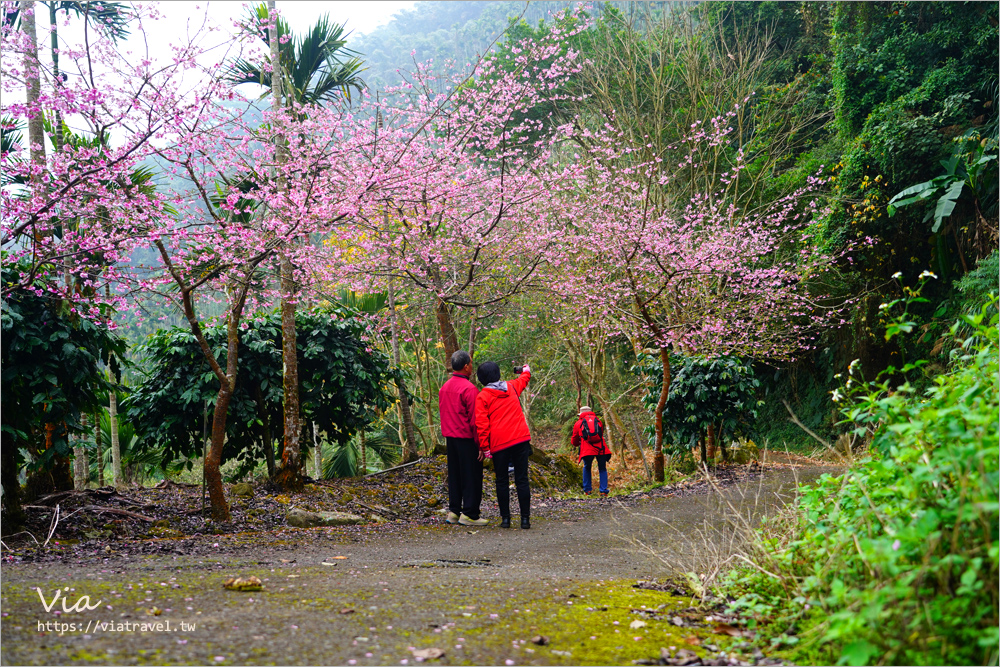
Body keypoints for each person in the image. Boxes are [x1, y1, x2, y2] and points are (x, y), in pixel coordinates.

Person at [475, 361, 533, 529]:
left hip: (499, 443)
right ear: (498, 374)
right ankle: (525, 520)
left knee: (501, 480)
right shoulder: (513, 386)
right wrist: (525, 369)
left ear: (481, 379)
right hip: (521, 439)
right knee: (522, 479)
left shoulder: (482, 396)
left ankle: (506, 520)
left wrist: (485, 447)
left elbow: (482, 424)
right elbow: (525, 377)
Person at [439, 350, 486, 526]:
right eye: (471, 364)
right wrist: (481, 444)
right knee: (471, 476)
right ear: (466, 366)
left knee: (455, 475)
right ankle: (470, 514)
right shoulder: (469, 389)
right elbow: (475, 421)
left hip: (450, 439)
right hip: (467, 439)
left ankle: (454, 511)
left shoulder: (444, 387)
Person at [571, 406, 611, 497]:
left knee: (587, 467)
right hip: (601, 448)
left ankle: (587, 490)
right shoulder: (598, 421)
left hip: (587, 449)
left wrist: (577, 444)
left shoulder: (578, 423)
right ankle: (603, 490)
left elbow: (574, 439)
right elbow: (600, 433)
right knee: (602, 468)